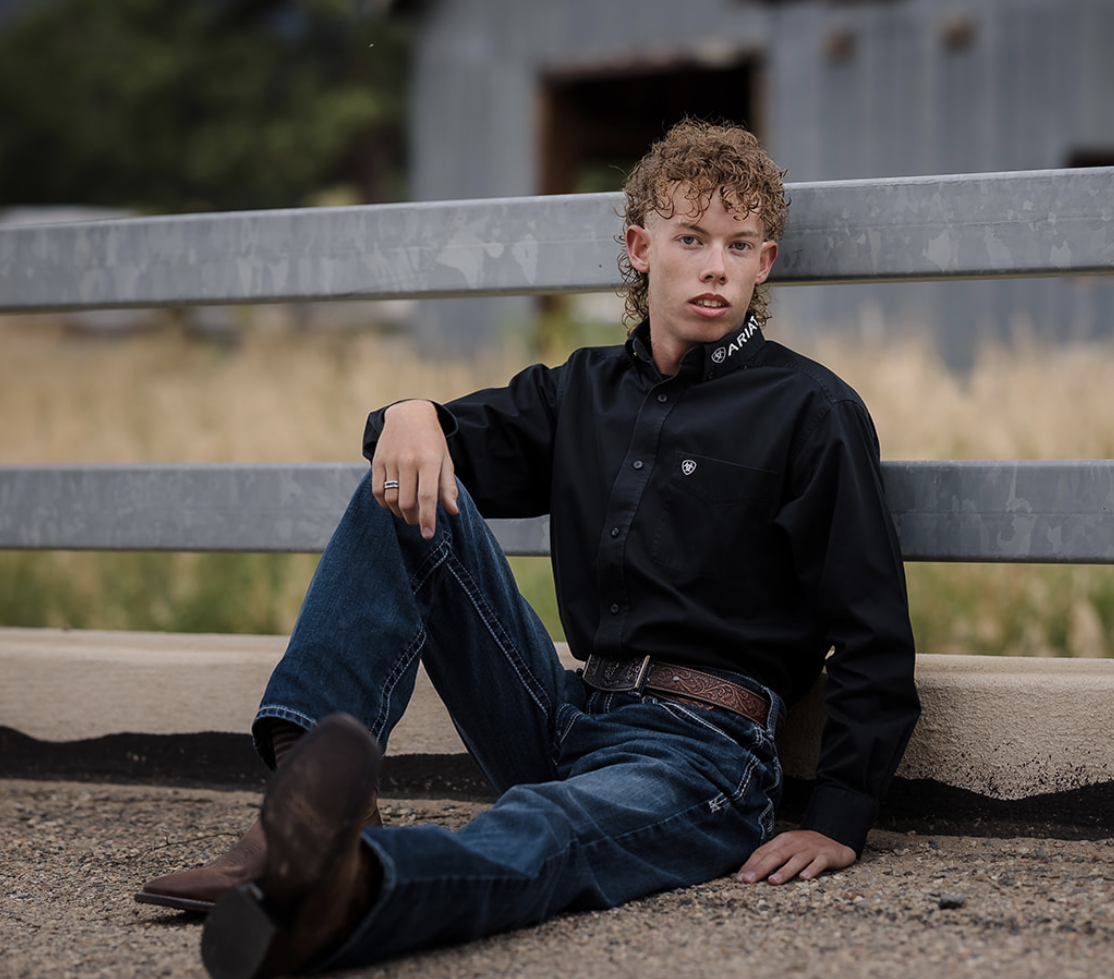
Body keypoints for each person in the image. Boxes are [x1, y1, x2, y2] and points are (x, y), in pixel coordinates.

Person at [135, 119, 921, 978]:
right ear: (640, 248)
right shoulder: (581, 388)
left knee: (541, 832)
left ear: (763, 264)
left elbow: (873, 627)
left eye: (739, 246)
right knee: (404, 488)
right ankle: (304, 805)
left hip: (700, 753)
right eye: (691, 238)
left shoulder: (811, 410)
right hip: (565, 712)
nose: (714, 266)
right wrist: (408, 412)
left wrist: (840, 815)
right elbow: (437, 447)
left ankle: (346, 892)